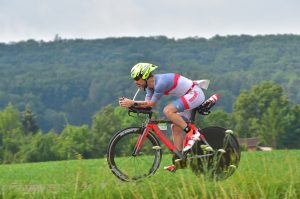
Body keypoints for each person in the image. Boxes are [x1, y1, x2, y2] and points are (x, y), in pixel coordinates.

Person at [119, 63, 205, 172]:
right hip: (188, 96)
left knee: (168, 110)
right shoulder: (150, 88)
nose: (135, 81)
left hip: (194, 93)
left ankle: (192, 133)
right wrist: (132, 105)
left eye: (137, 78)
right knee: (175, 127)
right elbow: (147, 105)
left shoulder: (160, 83)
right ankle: (180, 160)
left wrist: (132, 102)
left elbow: (151, 104)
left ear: (145, 76)